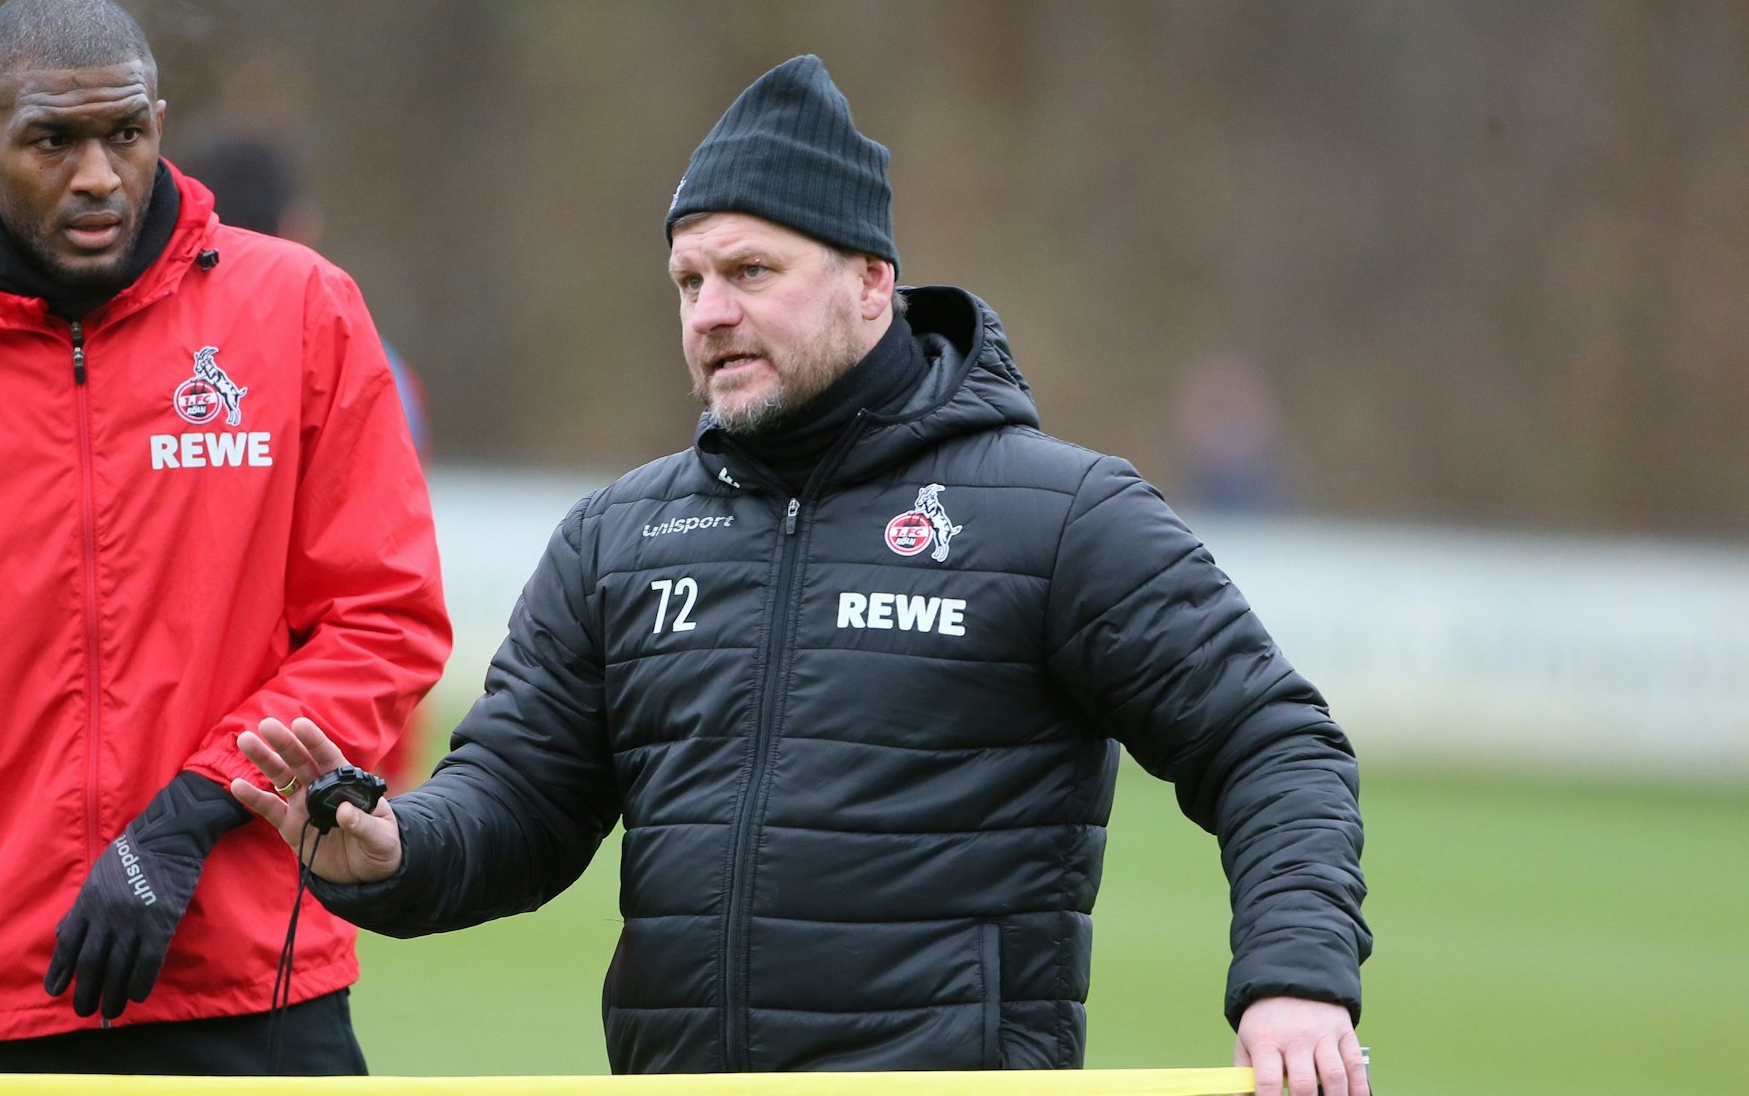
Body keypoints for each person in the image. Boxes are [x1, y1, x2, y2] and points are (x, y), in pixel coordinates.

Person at [232, 56, 1369, 1095]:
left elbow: (1269, 742)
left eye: (750, 270)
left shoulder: (1061, 515)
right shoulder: (614, 538)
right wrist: (392, 850)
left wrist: (1294, 977)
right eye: (687, 280)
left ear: (872, 283)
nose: (709, 313)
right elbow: (516, 800)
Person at [0, 0, 449, 1075]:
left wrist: (189, 814)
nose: (96, 176)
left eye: (124, 134)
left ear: (158, 124)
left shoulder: (303, 314)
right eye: (52, 142)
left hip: (256, 994)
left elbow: (383, 621)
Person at [181, 132, 437, 787]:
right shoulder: (372, 365)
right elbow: (385, 591)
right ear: (299, 224)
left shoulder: (122, 359)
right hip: (314, 752)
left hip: (190, 765)